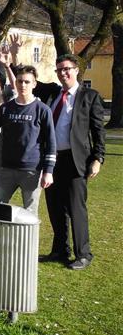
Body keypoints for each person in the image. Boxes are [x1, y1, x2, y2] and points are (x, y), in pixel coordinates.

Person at [37, 54, 106, 270]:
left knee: (77, 208)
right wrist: (5, 62)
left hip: (76, 161)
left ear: (76, 70)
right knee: (55, 207)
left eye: (66, 69)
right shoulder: (52, 93)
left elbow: (98, 131)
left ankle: (83, 254)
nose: (63, 73)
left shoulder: (89, 96)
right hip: (52, 160)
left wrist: (98, 158)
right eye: (59, 70)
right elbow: (27, 80)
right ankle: (60, 250)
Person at [0, 66, 56, 215]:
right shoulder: (6, 108)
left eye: (27, 82)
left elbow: (51, 142)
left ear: (34, 84)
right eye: (20, 81)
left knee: (30, 215)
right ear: (15, 83)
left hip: (31, 171)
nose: (23, 85)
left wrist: (48, 171)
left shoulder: (42, 110)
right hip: (6, 169)